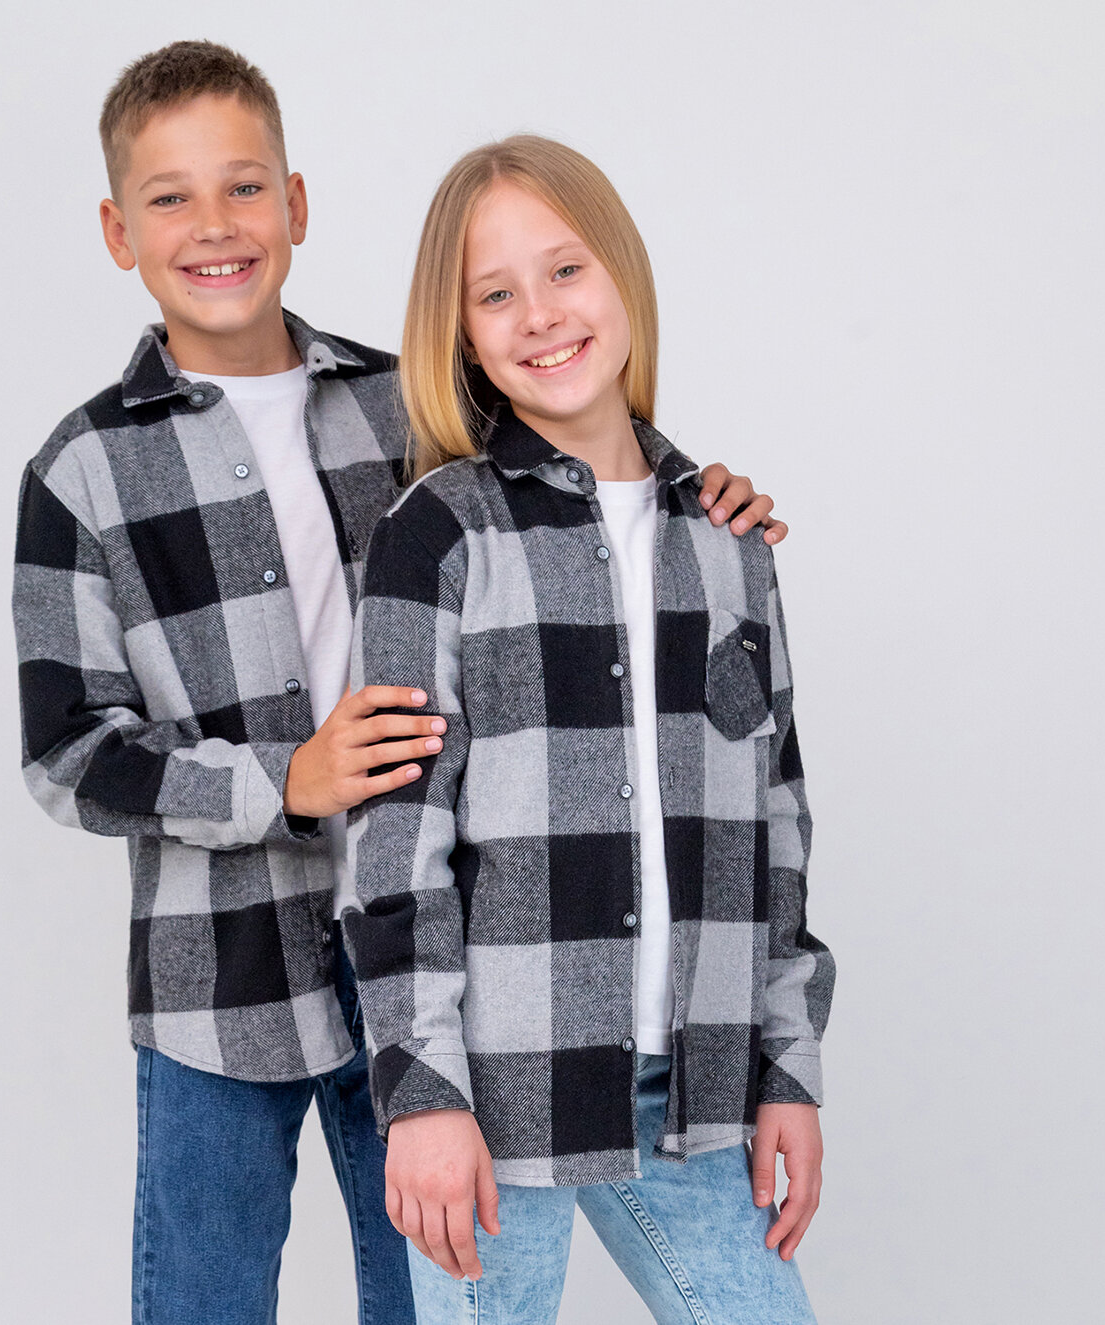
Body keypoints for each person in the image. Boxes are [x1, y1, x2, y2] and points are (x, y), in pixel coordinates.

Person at [12, 40, 791, 1325]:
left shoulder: (410, 406)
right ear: (117, 231)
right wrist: (286, 779)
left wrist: (705, 494)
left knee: (418, 1296)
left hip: (436, 968)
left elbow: (578, 471)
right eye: (169, 198)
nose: (214, 225)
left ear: (295, 204)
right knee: (204, 1295)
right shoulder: (81, 469)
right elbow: (64, 750)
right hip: (221, 976)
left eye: (244, 187)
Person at [343, 135, 834, 1324]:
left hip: (692, 1090)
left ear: (622, 273)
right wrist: (421, 1093)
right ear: (462, 335)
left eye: (564, 270)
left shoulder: (727, 542)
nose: (539, 314)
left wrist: (787, 1066)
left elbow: (774, 826)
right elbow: (393, 846)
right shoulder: (437, 534)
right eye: (494, 293)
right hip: (495, 1093)